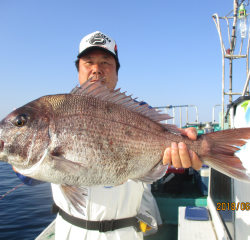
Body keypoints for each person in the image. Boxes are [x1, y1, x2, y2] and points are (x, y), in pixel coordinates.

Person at [14, 31, 202, 240]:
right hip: (71, 231)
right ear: (78, 70)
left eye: (105, 62)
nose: (97, 69)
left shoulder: (139, 112)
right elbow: (28, 179)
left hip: (125, 233)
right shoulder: (59, 108)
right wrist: (19, 160)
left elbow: (168, 140)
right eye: (89, 62)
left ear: (117, 72)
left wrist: (185, 142)